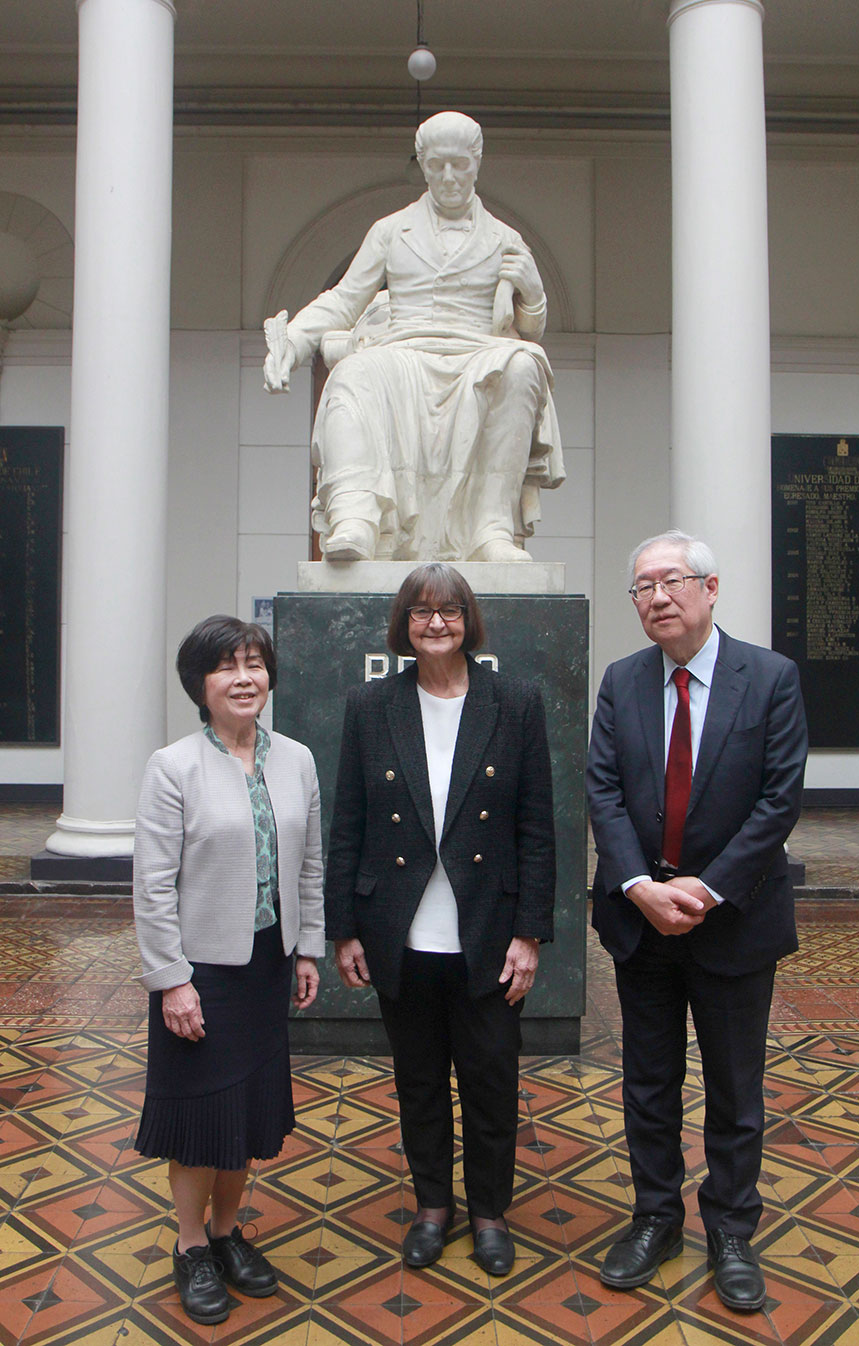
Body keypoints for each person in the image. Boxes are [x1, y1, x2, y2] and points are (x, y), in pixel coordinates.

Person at [585, 530, 807, 1313]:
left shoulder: (771, 678)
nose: (657, 598)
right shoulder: (622, 682)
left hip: (734, 922)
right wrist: (641, 885)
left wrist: (706, 892)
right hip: (642, 921)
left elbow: (779, 800)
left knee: (735, 1087)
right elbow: (603, 793)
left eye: (671, 581)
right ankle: (654, 1217)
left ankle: (733, 1230)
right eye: (642, 587)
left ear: (711, 590)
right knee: (647, 1083)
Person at [325, 563, 555, 1274]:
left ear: (468, 620)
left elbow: (537, 828)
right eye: (421, 612)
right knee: (418, 1080)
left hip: (486, 933)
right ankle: (432, 1207)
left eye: (450, 610)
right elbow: (349, 826)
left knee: (490, 1081)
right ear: (404, 624)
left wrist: (529, 933)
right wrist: (344, 929)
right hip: (399, 931)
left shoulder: (515, 702)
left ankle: (488, 1214)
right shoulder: (371, 706)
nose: (435, 623)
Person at [132, 616, 324, 1325]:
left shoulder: (296, 759)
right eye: (226, 667)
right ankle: (190, 1248)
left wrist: (307, 947)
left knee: (245, 1115)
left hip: (267, 966)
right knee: (200, 1117)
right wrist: (171, 980)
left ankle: (227, 1232)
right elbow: (152, 886)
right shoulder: (173, 766)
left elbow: (310, 864)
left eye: (254, 664)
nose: (244, 678)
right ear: (200, 685)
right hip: (200, 972)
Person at [263, 110, 564, 563]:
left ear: (476, 163)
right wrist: (295, 341)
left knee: (523, 364)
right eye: (437, 165)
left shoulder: (505, 238)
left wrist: (535, 290)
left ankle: (491, 529)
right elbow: (346, 299)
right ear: (422, 165)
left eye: (459, 164)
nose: (448, 177)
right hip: (404, 348)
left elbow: (528, 327)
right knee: (353, 373)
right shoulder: (389, 231)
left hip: (475, 350)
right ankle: (356, 517)